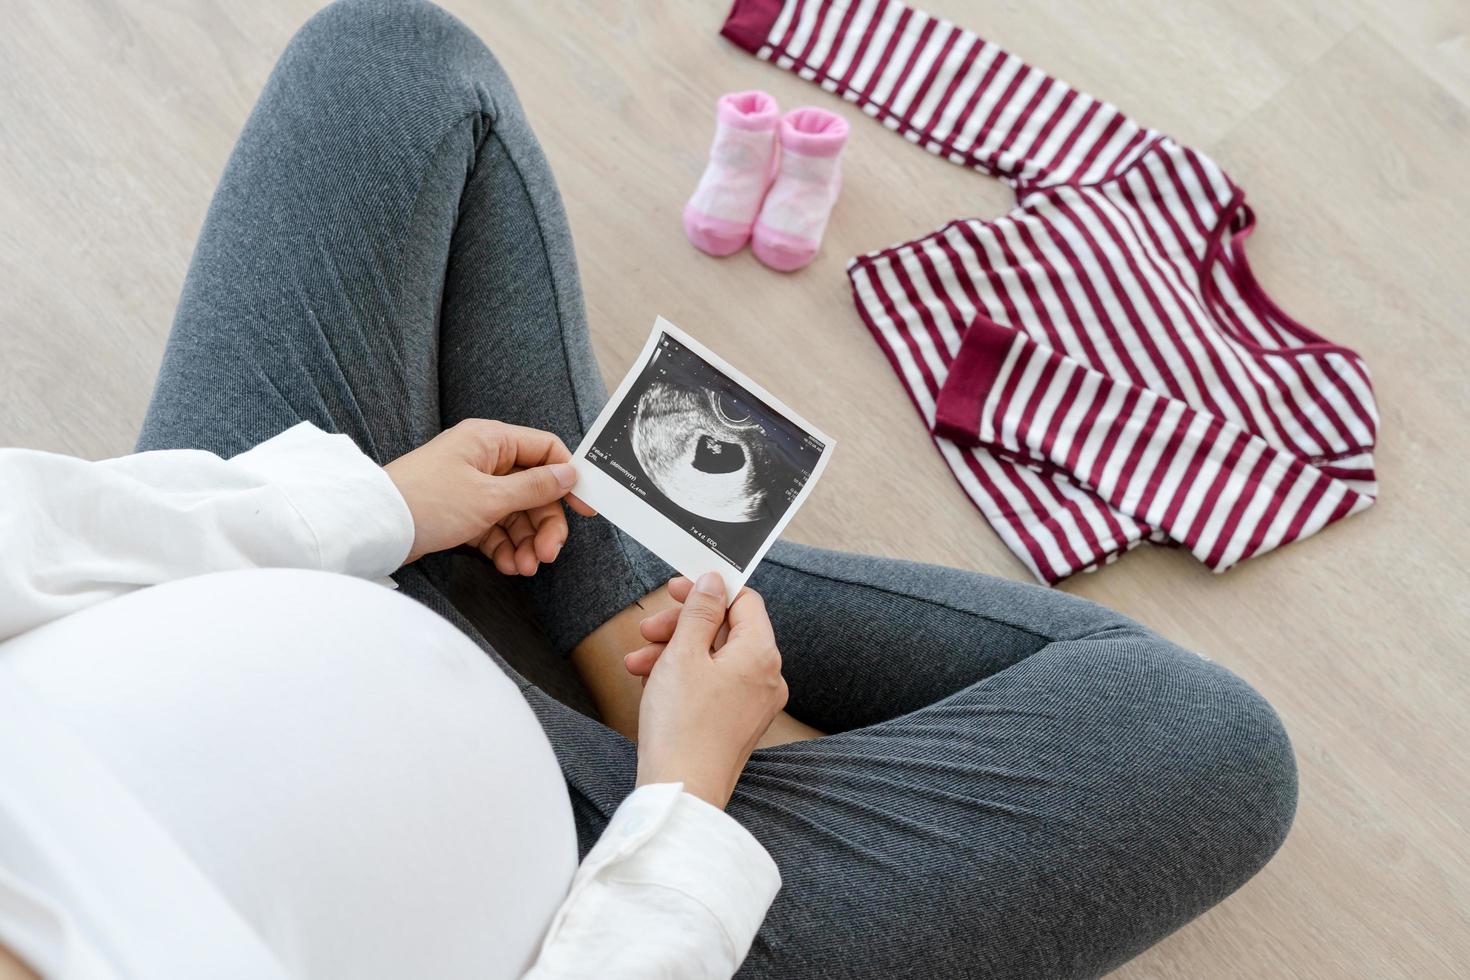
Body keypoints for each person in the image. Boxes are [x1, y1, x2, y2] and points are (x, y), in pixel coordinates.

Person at [0, 2, 1298, 977]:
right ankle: (639, 581)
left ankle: (609, 598)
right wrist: (682, 788)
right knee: (1203, 746)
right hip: (581, 892)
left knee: (394, 63)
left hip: (269, 565)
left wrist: (367, 509)